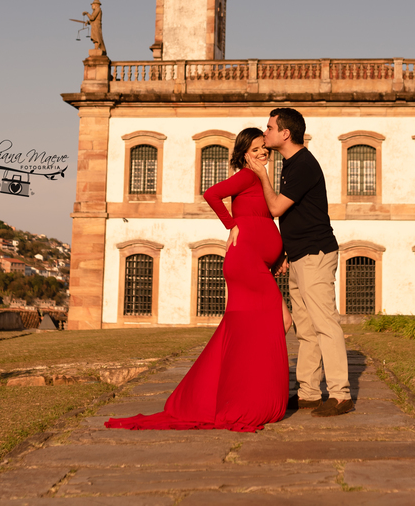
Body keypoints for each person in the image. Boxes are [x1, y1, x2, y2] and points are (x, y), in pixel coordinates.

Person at [105, 128, 289, 433]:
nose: (262, 153)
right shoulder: (247, 176)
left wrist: (278, 253)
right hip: (246, 262)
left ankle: (239, 395)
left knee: (250, 328)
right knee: (279, 320)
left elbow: (267, 215)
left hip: (256, 262)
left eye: (263, 148)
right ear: (245, 153)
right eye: (255, 149)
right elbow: (211, 194)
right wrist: (232, 225)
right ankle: (248, 398)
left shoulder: (261, 179)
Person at [245, 107, 354, 417]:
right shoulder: (291, 164)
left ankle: (340, 394)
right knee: (305, 328)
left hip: (316, 254)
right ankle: (307, 392)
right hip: (299, 255)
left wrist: (261, 174)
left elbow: (277, 207)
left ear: (285, 134)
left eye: (268, 128)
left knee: (324, 324)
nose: (264, 133)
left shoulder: (303, 164)